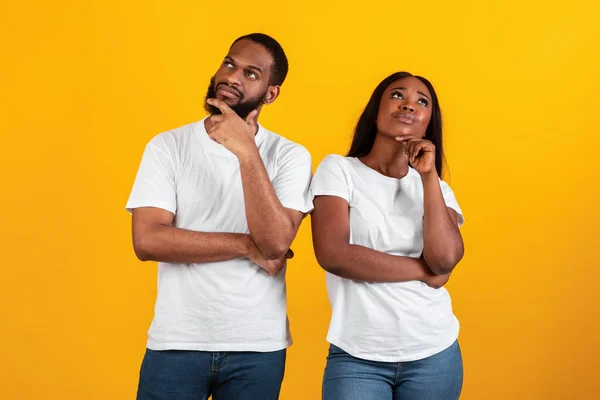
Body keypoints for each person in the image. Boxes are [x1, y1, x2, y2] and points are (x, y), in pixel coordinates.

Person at [126, 33, 313, 400]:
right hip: (176, 340)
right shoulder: (168, 146)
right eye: (229, 63)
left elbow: (275, 243)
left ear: (271, 93)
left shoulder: (290, 155)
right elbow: (147, 240)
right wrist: (246, 245)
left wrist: (245, 149)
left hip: (257, 346)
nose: (232, 77)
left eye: (251, 73)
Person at [310, 71, 465, 400]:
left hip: (434, 352)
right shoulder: (339, 170)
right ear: (376, 111)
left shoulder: (437, 188)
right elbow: (334, 254)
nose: (409, 104)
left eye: (421, 101)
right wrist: (425, 271)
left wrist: (427, 177)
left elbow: (446, 257)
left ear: (426, 123)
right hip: (358, 355)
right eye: (397, 95)